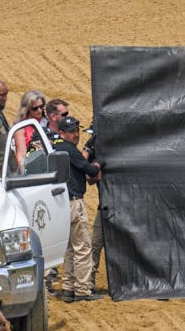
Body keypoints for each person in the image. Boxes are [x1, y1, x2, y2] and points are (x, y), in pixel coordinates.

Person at [54, 116, 104, 302]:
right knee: (83, 247)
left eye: (76, 130)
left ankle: (68, 287)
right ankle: (82, 290)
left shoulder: (56, 148)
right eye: (71, 131)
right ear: (62, 133)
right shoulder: (70, 150)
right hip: (74, 202)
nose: (75, 134)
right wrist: (98, 164)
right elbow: (90, 171)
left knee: (69, 248)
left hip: (60, 204)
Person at [81, 122, 104, 292]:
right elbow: (88, 176)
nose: (91, 138)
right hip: (105, 205)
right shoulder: (94, 147)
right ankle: (90, 281)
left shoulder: (116, 147)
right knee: (95, 242)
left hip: (125, 205)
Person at [12, 90, 47, 172]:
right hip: (32, 167)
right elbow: (21, 155)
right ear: (27, 109)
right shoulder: (21, 127)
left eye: (41, 107)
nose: (39, 110)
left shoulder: (47, 121)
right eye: (35, 108)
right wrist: (24, 174)